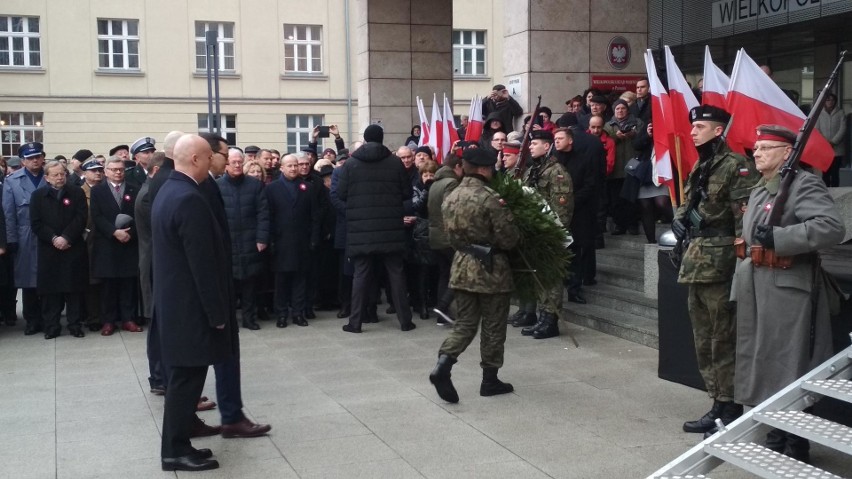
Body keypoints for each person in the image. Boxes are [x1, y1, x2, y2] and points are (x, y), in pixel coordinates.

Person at [733, 124, 845, 462]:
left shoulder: (803, 184)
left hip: (788, 288)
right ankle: (774, 428)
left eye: (766, 147)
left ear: (787, 153)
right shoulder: (760, 189)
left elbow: (831, 227)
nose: (757, 152)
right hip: (757, 283)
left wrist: (780, 237)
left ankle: (797, 440)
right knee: (763, 362)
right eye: (756, 147)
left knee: (789, 363)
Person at [672, 105, 759, 436]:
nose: (693, 132)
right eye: (693, 126)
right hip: (697, 260)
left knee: (723, 338)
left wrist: (743, 265)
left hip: (722, 263)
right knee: (704, 337)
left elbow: (744, 221)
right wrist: (679, 219)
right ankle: (718, 401)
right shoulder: (702, 164)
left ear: (719, 130)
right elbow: (689, 202)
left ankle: (731, 405)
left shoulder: (736, 166)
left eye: (701, 127)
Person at [153, 134, 232, 472]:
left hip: (176, 303)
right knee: (186, 380)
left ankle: (181, 442)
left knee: (184, 379)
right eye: (211, 157)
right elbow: (202, 263)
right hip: (190, 308)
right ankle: (173, 450)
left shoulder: (170, 189)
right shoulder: (188, 198)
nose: (216, 162)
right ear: (197, 160)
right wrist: (217, 313)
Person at [429, 148, 521, 403]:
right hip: (491, 270)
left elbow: (449, 234)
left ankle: (443, 365)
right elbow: (508, 238)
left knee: (465, 324)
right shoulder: (489, 197)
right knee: (493, 326)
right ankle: (489, 381)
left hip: (461, 266)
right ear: (482, 169)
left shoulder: (452, 194)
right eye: (490, 167)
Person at [336, 124, 416, 333]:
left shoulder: (351, 164)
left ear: (365, 138)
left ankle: (355, 323)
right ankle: (405, 321)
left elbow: (341, 194)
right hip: (391, 228)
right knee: (396, 274)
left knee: (360, 275)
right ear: (382, 138)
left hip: (361, 229)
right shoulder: (395, 163)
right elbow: (407, 193)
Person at [520, 130, 573, 339]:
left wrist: (554, 234)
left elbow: (563, 207)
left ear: (547, 145)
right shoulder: (535, 170)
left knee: (550, 277)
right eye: (530, 143)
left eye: (535, 143)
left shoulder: (556, 171)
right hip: (535, 231)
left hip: (550, 231)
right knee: (539, 276)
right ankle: (542, 317)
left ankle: (551, 320)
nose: (531, 147)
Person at [30, 160, 89, 339]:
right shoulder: (38, 196)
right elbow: (36, 223)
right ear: (47, 178)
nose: (59, 178)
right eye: (55, 175)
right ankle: (52, 325)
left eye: (62, 174)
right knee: (51, 292)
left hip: (72, 246)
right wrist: (54, 238)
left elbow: (81, 218)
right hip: (49, 249)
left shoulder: (76, 192)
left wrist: (67, 237)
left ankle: (75, 324)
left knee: (74, 289)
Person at [217, 148, 269, 330]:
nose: (238, 165)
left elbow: (263, 214)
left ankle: (249, 319)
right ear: (226, 165)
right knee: (229, 286)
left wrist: (262, 238)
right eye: (234, 162)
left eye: (240, 162)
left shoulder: (254, 185)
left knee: (250, 285)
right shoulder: (217, 186)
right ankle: (231, 321)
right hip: (228, 243)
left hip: (250, 240)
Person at [266, 154, 320, 328]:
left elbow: (314, 216)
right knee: (281, 281)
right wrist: (271, 240)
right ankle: (281, 314)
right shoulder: (272, 188)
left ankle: (298, 313)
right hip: (281, 242)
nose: (294, 168)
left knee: (300, 280)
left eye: (295, 165)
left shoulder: (307, 187)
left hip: (302, 242)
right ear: (281, 168)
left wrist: (313, 239)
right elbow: (269, 217)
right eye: (289, 166)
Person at [90, 156, 142, 335]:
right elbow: (97, 217)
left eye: (120, 169)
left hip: (129, 243)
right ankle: (108, 321)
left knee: (128, 284)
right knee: (108, 286)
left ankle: (128, 319)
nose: (118, 172)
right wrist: (114, 232)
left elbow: (140, 215)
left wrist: (130, 233)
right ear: (106, 171)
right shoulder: (98, 191)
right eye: (113, 169)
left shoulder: (135, 189)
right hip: (107, 244)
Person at [3, 142, 47, 335]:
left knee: (48, 278)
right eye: (30, 158)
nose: (35, 160)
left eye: (38, 156)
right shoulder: (13, 181)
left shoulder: (51, 176)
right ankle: (32, 320)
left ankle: (48, 318)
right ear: (22, 161)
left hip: (48, 234)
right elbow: (8, 213)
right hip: (25, 234)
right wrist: (11, 239)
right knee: (28, 280)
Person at [428, 153, 462, 325]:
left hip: (435, 236)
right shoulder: (452, 183)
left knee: (444, 274)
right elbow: (450, 209)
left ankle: (442, 315)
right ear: (456, 167)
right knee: (460, 272)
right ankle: (443, 306)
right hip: (447, 236)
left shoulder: (435, 183)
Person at [815, 93, 846, 187]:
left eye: (832, 100)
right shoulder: (819, 113)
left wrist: (833, 142)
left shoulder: (840, 113)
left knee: (835, 173)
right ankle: (826, 191)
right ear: (824, 101)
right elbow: (817, 130)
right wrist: (825, 142)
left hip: (837, 148)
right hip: (824, 149)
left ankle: (836, 192)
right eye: (828, 100)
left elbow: (843, 129)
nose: (830, 102)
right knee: (825, 172)